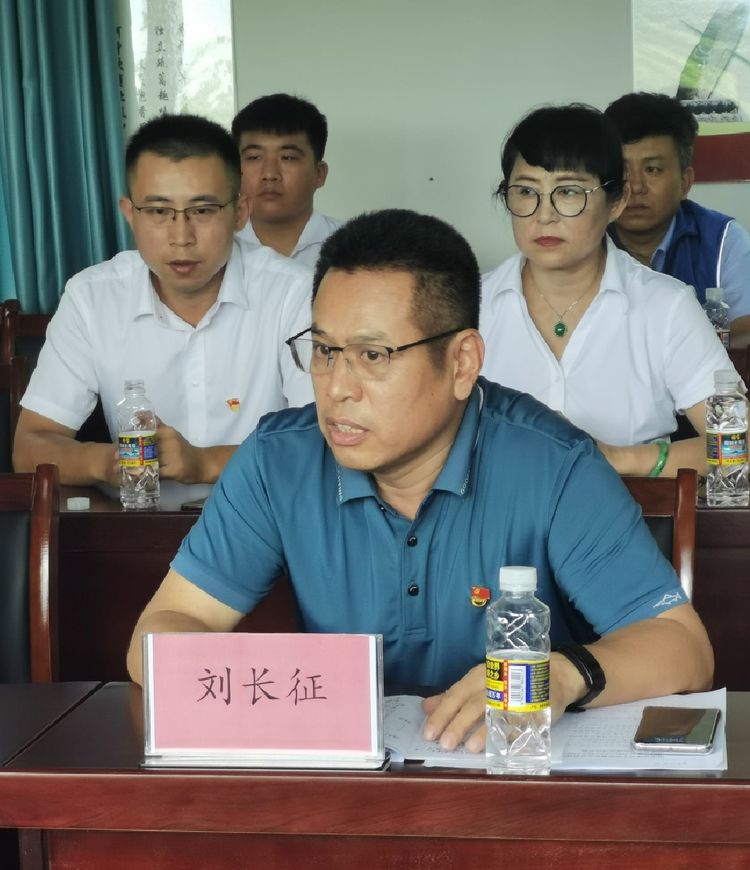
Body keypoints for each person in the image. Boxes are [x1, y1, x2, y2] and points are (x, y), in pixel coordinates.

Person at [127, 208, 713, 753]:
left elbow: (682, 647)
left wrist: (556, 675)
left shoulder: (554, 465)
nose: (337, 387)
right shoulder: (277, 461)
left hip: (512, 776)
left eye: (373, 355)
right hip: (347, 789)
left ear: (461, 362)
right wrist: (275, 685)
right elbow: (160, 633)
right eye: (324, 350)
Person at [13, 114, 313, 487]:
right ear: (129, 214)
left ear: (240, 213)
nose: (181, 237)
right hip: (137, 518)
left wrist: (204, 463)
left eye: (202, 211)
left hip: (267, 518)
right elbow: (31, 446)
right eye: (158, 211)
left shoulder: (293, 292)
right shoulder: (92, 297)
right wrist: (113, 461)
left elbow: (321, 442)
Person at [480, 104, 738, 478]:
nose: (544, 214)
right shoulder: (472, 305)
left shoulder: (666, 307)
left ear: (616, 202)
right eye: (525, 191)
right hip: (501, 511)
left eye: (569, 192)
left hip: (629, 509)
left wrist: (616, 459)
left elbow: (736, 442)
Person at [604, 91, 750, 344]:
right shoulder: (584, 239)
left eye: (652, 169)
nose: (635, 187)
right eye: (622, 171)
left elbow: (746, 328)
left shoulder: (723, 240)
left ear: (685, 182)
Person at [232, 93, 341, 267]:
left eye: (288, 157)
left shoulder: (354, 247)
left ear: (319, 174)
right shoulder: (214, 248)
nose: (269, 174)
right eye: (254, 157)